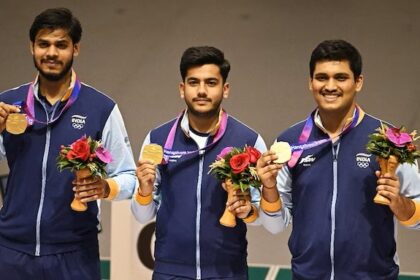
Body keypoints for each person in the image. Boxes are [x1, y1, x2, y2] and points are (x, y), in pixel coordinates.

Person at [257, 39, 420, 280]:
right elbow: (275, 226)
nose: (330, 86)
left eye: (341, 77)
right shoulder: (289, 142)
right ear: (310, 83)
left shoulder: (390, 141)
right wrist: (268, 188)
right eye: (322, 77)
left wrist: (399, 203)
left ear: (358, 82)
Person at [0, 8, 136, 279]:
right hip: (11, 249)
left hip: (74, 253)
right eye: (43, 44)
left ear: (75, 49)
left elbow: (129, 177)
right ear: (32, 47)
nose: (51, 52)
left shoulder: (101, 108)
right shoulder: (8, 104)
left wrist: (105, 187)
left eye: (61, 44)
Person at [131, 46, 266, 279]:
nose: (201, 91)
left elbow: (263, 215)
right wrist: (144, 190)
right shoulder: (157, 140)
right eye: (194, 82)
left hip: (227, 271)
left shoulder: (249, 141)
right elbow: (142, 216)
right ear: (182, 89)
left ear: (225, 89)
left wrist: (248, 210)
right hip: (170, 271)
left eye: (211, 83)